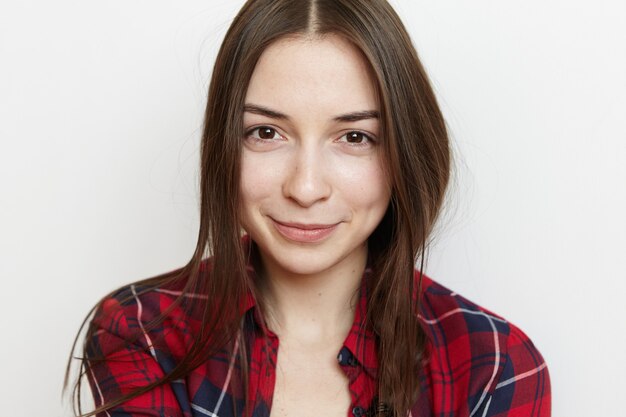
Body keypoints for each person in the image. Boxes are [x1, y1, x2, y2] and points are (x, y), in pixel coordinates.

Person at [66, 0, 551, 416]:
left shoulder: (493, 363)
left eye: (355, 137)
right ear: (223, 145)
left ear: (405, 151)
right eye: (266, 132)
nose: (306, 186)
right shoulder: (142, 333)